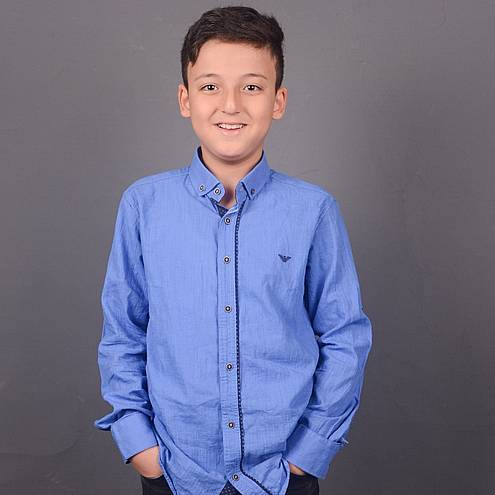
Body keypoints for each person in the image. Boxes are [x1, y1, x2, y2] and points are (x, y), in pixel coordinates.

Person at [94, 5, 373, 495]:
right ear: (185, 99)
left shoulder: (313, 211)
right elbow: (124, 332)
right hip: (176, 471)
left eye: (251, 87)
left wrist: (307, 455)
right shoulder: (143, 205)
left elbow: (344, 337)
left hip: (281, 476)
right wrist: (140, 447)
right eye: (210, 86)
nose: (230, 105)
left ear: (278, 100)